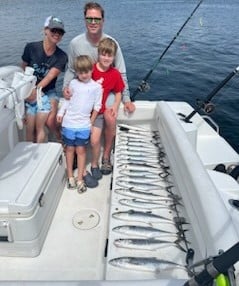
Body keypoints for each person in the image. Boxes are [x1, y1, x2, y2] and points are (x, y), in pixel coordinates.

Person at [63, 2, 135, 186]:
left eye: (97, 18)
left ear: (103, 20)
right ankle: (79, 154)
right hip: (85, 88)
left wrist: (125, 100)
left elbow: (121, 74)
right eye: (89, 18)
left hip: (108, 91)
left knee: (110, 116)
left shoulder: (112, 43)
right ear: (85, 19)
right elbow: (71, 70)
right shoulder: (75, 43)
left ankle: (106, 156)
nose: (93, 22)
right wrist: (66, 89)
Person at [57, 55, 102, 193]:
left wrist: (91, 122)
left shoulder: (96, 87)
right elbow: (67, 100)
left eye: (86, 71)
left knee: (81, 151)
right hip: (69, 123)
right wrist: (60, 113)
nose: (84, 75)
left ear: (91, 70)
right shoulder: (73, 84)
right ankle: (70, 177)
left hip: (83, 125)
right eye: (80, 72)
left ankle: (80, 178)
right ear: (76, 72)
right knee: (69, 150)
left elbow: (97, 107)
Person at [22, 16, 67, 143]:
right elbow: (23, 68)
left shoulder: (62, 56)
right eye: (54, 30)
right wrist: (26, 91)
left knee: (50, 120)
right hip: (29, 89)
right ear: (45, 30)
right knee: (31, 125)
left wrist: (35, 91)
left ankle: (59, 136)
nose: (57, 34)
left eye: (60, 32)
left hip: (48, 91)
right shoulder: (31, 48)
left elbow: (50, 77)